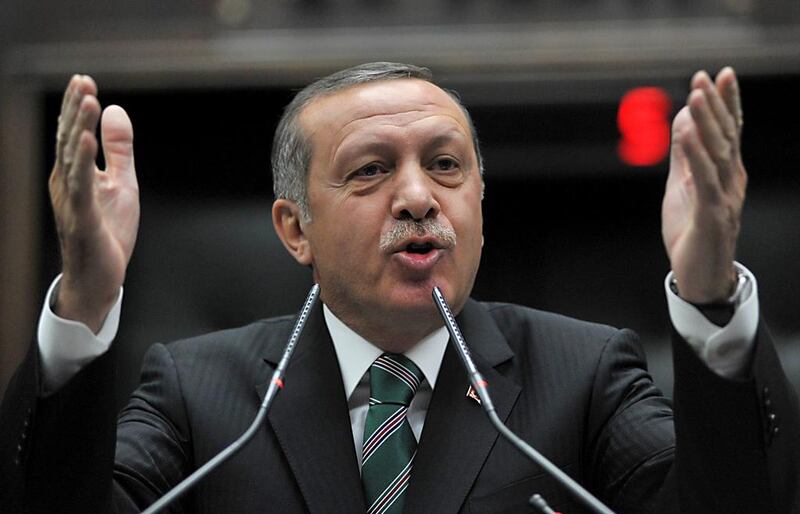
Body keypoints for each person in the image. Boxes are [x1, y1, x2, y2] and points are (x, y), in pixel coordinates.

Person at [1, 62, 798, 513]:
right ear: (295, 229)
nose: (419, 197)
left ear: (479, 202)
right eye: (372, 169)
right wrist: (83, 304)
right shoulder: (197, 392)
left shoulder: (582, 375)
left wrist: (709, 294)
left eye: (446, 166)